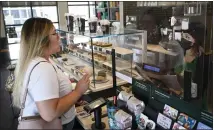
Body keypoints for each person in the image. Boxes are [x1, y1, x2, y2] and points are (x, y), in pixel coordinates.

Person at [12, 17, 90, 130]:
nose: (59, 36)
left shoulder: (39, 60)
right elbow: (50, 113)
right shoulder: (42, 68)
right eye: (54, 33)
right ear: (41, 40)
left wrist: (71, 98)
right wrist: (78, 91)